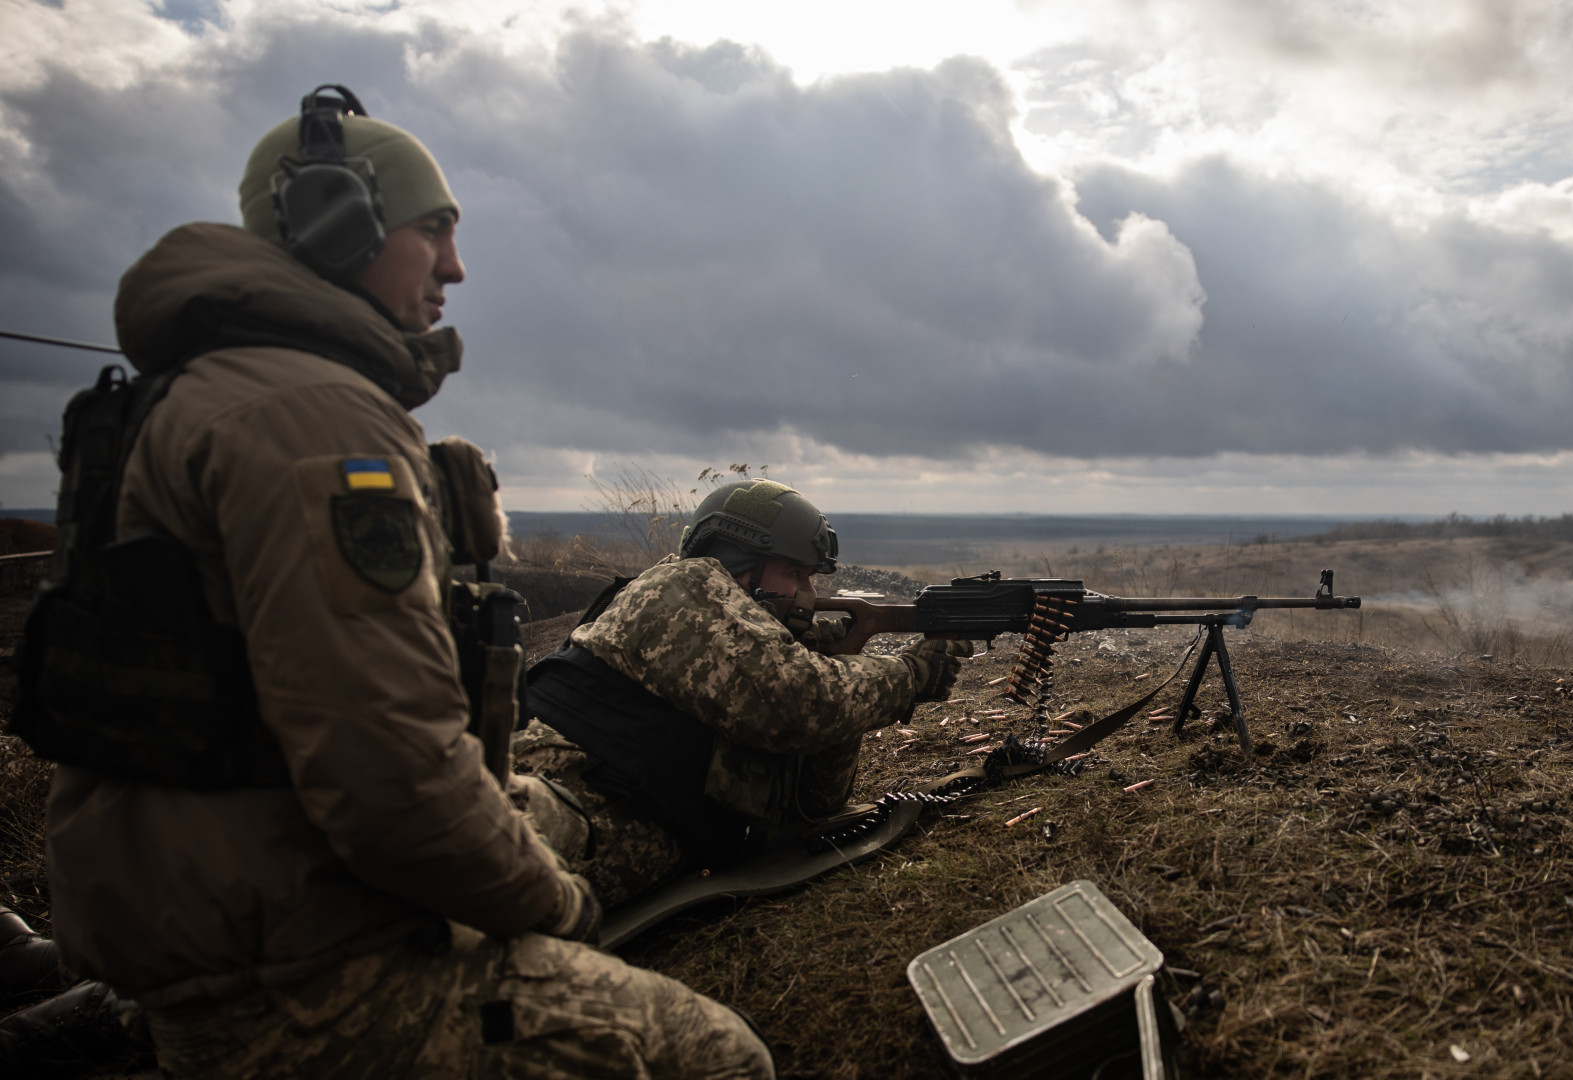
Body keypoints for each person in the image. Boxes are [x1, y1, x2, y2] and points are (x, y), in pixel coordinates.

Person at [30, 86, 773, 1079]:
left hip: (220, 924)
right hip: (313, 971)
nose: (456, 269)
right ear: (339, 228)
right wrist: (554, 906)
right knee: (716, 1058)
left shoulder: (205, 393)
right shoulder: (312, 417)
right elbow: (385, 766)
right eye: (434, 234)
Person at [516, 479, 974, 907]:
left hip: (562, 870)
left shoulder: (748, 652)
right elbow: (800, 707)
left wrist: (834, 662)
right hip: (533, 808)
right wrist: (907, 676)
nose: (809, 594)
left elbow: (816, 804)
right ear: (737, 566)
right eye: (795, 573)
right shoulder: (682, 591)